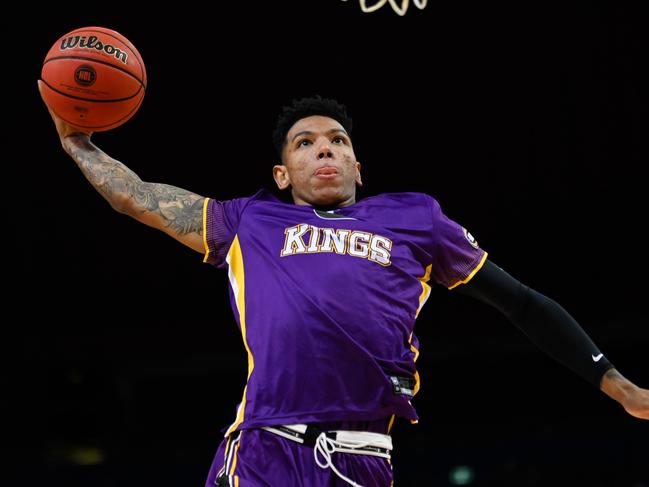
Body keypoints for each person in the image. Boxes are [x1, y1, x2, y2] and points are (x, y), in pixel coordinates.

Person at [38, 84, 648, 487]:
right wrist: (76, 142)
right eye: (305, 144)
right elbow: (137, 197)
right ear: (282, 173)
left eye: (338, 141)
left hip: (362, 456)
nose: (323, 150)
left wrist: (616, 384)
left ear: (358, 165)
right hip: (262, 449)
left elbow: (522, 302)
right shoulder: (248, 219)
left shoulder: (417, 218)